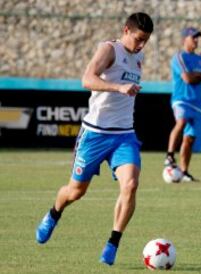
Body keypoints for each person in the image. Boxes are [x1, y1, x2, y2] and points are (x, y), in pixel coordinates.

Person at [35, 12, 154, 266]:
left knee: (130, 184)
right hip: (95, 134)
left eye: (146, 40)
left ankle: (112, 243)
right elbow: (87, 79)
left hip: (124, 135)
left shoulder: (139, 57)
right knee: (76, 192)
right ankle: (54, 214)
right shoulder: (109, 49)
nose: (142, 45)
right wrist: (118, 87)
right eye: (139, 39)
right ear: (126, 30)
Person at [164, 27, 201, 182]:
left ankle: (185, 171)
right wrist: (200, 75)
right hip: (182, 99)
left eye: (197, 38)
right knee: (181, 121)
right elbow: (187, 78)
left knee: (190, 138)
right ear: (185, 39)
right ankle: (170, 156)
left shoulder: (200, 59)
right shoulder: (179, 57)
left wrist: (198, 75)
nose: (196, 40)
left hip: (196, 102)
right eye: (193, 37)